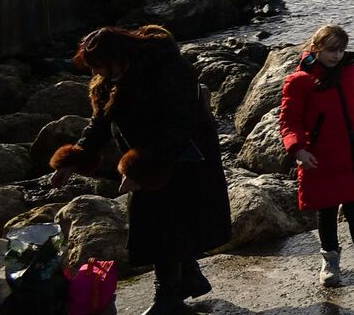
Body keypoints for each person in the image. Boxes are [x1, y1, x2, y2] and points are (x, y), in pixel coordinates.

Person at [49, 25, 231, 315]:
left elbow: (178, 126)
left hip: (186, 157)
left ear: (119, 56)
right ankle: (188, 279)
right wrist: (75, 159)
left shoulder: (169, 69)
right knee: (164, 223)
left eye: (100, 65)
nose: (98, 72)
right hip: (151, 157)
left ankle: (169, 297)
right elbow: (100, 122)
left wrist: (139, 169)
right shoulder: (109, 78)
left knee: (164, 225)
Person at [279, 23, 354, 297]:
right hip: (320, 156)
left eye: (341, 49)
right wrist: (298, 150)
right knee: (325, 212)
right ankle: (330, 263)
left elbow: (352, 107)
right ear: (315, 48)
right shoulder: (299, 81)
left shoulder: (350, 71)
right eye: (330, 50)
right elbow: (289, 121)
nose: (336, 55)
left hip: (351, 153)